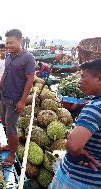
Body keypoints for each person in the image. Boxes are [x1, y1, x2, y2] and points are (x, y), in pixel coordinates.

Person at [50, 58, 101, 189]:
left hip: (77, 180)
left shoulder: (95, 107)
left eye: (84, 77)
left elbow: (73, 146)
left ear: (99, 78)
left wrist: (77, 151)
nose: (79, 81)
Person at [0, 29, 35, 167]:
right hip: (4, 96)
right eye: (7, 43)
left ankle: (12, 155)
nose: (8, 46)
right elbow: (5, 73)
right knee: (5, 122)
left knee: (11, 127)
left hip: (15, 99)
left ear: (20, 40)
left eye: (11, 42)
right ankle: (8, 146)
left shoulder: (28, 58)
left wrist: (22, 100)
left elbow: (30, 80)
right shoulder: (9, 56)